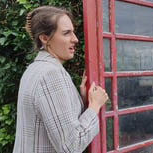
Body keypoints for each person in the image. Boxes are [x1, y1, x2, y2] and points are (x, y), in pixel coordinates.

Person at [13, 6, 108, 153]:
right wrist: (94, 106)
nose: (75, 39)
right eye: (66, 33)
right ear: (45, 38)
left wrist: (82, 100)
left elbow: (55, 122)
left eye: (73, 32)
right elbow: (71, 146)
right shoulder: (50, 74)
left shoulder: (33, 69)